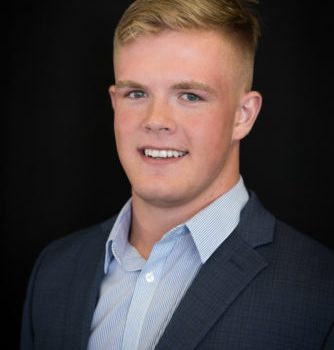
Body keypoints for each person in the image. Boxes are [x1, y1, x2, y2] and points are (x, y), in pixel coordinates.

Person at [20, 0, 334, 349]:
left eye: (189, 96)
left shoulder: (322, 291)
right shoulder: (55, 271)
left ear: (243, 115)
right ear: (114, 102)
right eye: (136, 93)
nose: (156, 120)